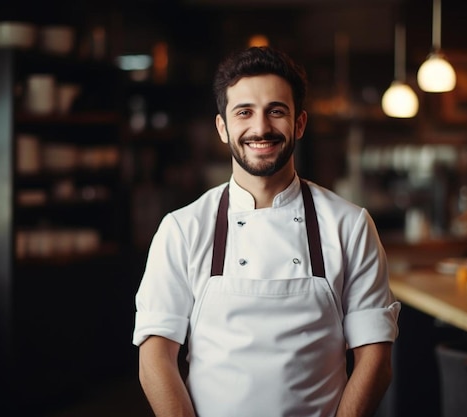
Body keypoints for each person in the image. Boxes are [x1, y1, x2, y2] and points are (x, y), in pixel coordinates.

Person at [133, 46, 401, 417]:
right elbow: (156, 359)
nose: (260, 128)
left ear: (300, 124)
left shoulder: (350, 225)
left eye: (276, 111)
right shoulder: (182, 229)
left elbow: (375, 359)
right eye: (244, 112)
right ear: (223, 127)